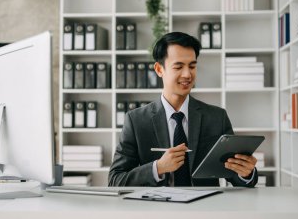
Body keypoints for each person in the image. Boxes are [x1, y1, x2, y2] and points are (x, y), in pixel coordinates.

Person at [108, 32, 258, 187]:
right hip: (157, 208)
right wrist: (158, 168)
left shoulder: (216, 117)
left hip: (205, 208)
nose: (187, 74)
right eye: (178, 66)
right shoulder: (136, 120)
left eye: (192, 66)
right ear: (159, 69)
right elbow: (115, 180)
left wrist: (245, 173)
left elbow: (235, 176)